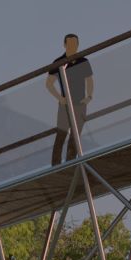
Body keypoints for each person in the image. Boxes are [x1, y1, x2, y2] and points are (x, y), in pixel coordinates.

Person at [46, 33, 94, 166]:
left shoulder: (83, 61)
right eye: (70, 43)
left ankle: (71, 164)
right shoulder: (58, 62)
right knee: (61, 135)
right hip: (65, 105)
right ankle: (55, 165)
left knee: (75, 136)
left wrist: (89, 97)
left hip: (80, 104)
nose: (73, 46)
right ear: (64, 45)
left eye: (75, 44)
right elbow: (49, 84)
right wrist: (60, 98)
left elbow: (89, 80)